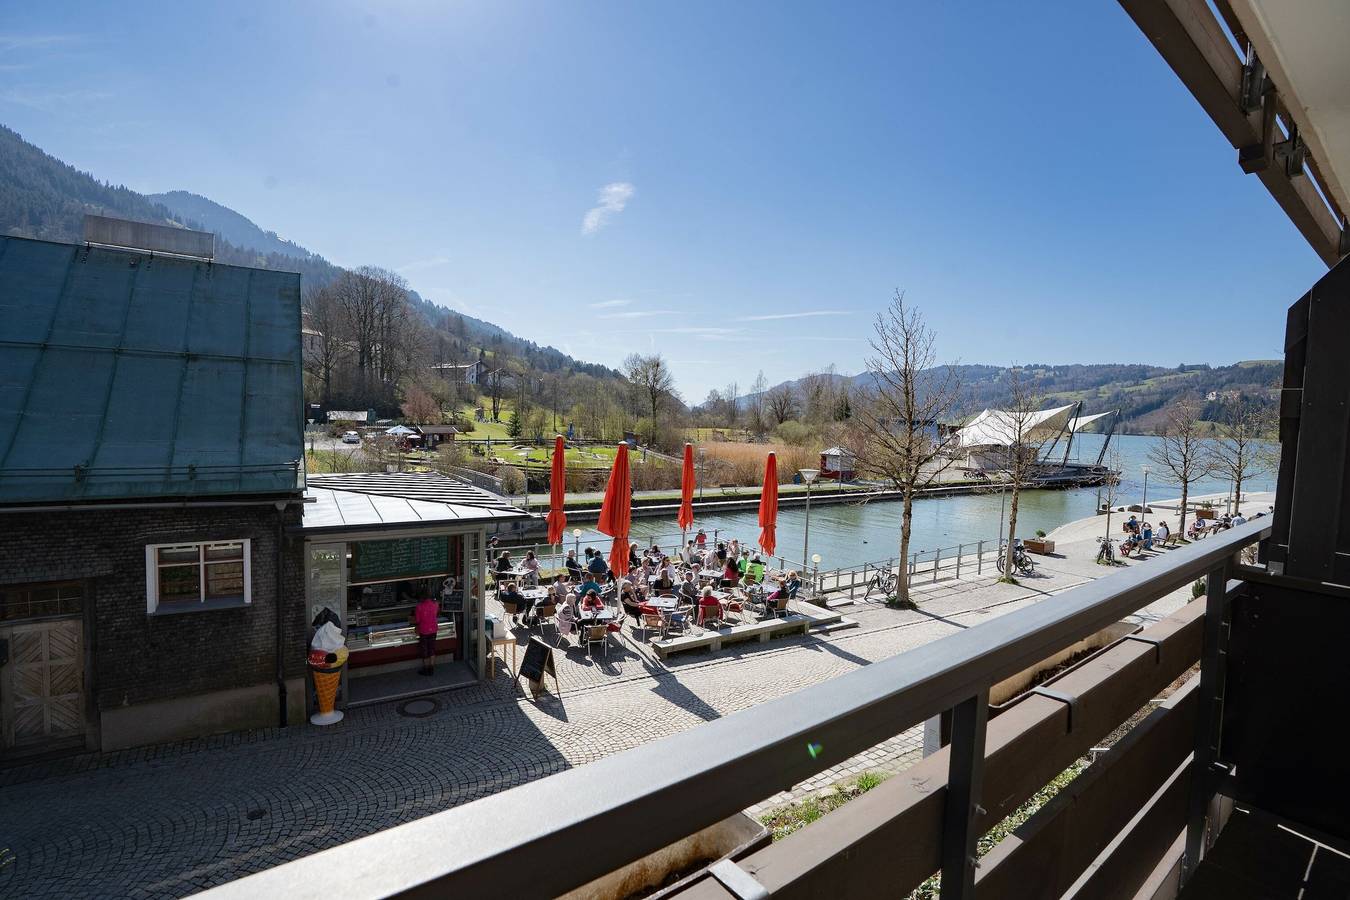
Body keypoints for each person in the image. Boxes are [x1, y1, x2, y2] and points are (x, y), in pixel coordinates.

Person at [412, 591, 440, 676]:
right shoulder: (436, 604)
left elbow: (417, 620)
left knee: (425, 651)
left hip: (424, 630)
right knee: (432, 649)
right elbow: (437, 614)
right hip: (433, 629)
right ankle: (431, 668)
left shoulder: (419, 607)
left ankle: (426, 669)